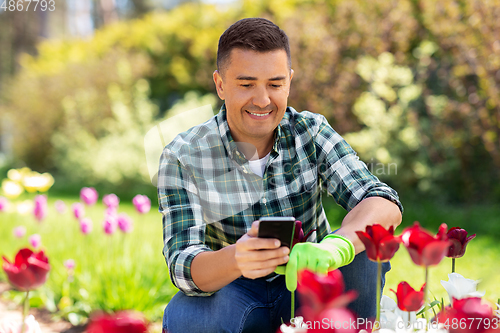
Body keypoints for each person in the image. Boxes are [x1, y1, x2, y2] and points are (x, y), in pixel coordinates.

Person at [158, 17, 403, 333]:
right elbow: (182, 263)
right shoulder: (184, 155)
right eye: (247, 85)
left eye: (274, 85)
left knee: (363, 247)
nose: (262, 100)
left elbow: (381, 201)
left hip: (311, 288)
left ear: (288, 81)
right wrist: (238, 258)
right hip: (236, 292)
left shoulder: (310, 132)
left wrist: (334, 248)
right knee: (184, 314)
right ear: (220, 84)